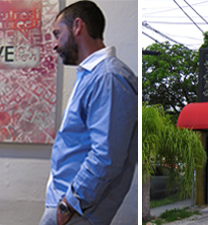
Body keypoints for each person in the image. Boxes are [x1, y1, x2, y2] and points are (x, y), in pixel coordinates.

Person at [40, 1, 137, 225]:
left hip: (77, 211)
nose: (55, 45)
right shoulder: (93, 75)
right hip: (70, 207)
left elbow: (106, 156)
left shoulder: (109, 77)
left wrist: (69, 204)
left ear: (77, 26)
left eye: (57, 34)